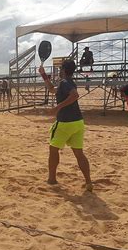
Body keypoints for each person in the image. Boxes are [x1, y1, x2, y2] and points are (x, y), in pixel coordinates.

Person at [39, 59, 93, 192]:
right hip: (78, 122)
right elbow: (52, 90)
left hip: (65, 122)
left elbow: (75, 95)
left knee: (53, 149)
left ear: (63, 70)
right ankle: (88, 182)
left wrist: (57, 108)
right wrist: (44, 75)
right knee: (79, 154)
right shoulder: (68, 82)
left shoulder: (64, 82)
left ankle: (52, 179)